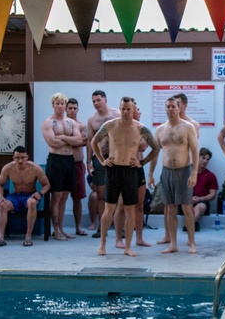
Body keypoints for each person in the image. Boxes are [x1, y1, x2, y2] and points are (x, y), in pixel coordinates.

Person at [90, 96, 159, 257]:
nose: (126, 112)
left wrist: (142, 163)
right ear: (119, 109)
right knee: (109, 209)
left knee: (130, 209)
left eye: (129, 109)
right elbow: (94, 142)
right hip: (113, 170)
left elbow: (155, 147)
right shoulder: (110, 125)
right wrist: (102, 160)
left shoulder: (140, 128)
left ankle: (128, 246)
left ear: (133, 109)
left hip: (130, 171)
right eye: (123, 109)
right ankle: (102, 243)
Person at [148, 96, 199, 254]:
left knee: (186, 207)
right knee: (170, 208)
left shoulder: (188, 127)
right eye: (168, 106)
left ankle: (191, 243)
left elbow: (195, 151)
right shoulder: (160, 129)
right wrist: (150, 173)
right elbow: (155, 153)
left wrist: (194, 173)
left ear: (179, 108)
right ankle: (173, 243)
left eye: (173, 106)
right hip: (167, 171)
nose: (170, 109)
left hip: (184, 171)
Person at [41, 93, 84, 240]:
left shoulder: (71, 123)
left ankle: (62, 229)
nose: (60, 106)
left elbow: (79, 140)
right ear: (53, 104)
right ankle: (56, 230)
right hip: (56, 160)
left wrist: (63, 138)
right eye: (57, 103)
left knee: (65, 196)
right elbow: (52, 143)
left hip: (69, 160)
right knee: (57, 195)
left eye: (62, 104)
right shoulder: (48, 122)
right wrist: (71, 140)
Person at [0, 146, 51, 247]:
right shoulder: (8, 168)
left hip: (30, 195)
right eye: (17, 158)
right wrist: (1, 196)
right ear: (13, 157)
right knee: (3, 205)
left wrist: (40, 194)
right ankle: (1, 237)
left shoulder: (35, 168)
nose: (20, 161)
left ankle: (28, 236)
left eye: (23, 157)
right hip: (15, 196)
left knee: (32, 203)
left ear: (27, 157)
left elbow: (47, 184)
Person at [87, 90, 121, 238]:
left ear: (105, 100)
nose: (96, 103)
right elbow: (89, 141)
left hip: (117, 157)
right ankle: (102, 227)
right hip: (99, 158)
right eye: (93, 101)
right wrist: (88, 161)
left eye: (98, 100)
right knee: (100, 193)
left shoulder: (116, 114)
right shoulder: (92, 120)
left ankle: (122, 227)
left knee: (120, 192)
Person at [66, 98, 89, 236]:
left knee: (77, 197)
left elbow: (84, 142)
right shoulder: (60, 125)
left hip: (78, 165)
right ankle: (58, 229)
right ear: (66, 109)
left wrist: (66, 139)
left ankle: (78, 227)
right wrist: (75, 140)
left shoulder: (82, 125)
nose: (73, 111)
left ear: (78, 109)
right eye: (70, 108)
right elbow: (56, 142)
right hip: (64, 162)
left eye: (75, 108)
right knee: (60, 196)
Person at [188, 147, 219, 231]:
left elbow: (213, 194)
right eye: (203, 158)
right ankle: (193, 224)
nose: (205, 161)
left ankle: (189, 226)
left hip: (202, 201)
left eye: (207, 159)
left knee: (198, 207)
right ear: (197, 157)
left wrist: (201, 199)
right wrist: (188, 198)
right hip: (187, 200)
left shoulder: (210, 175)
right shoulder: (187, 172)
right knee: (188, 206)